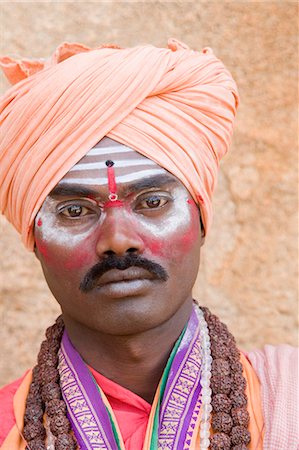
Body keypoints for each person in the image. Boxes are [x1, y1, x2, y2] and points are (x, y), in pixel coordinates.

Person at [0, 40, 297, 450]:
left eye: (153, 202)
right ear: (34, 238)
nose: (118, 241)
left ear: (201, 221)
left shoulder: (287, 401)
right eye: (73, 211)